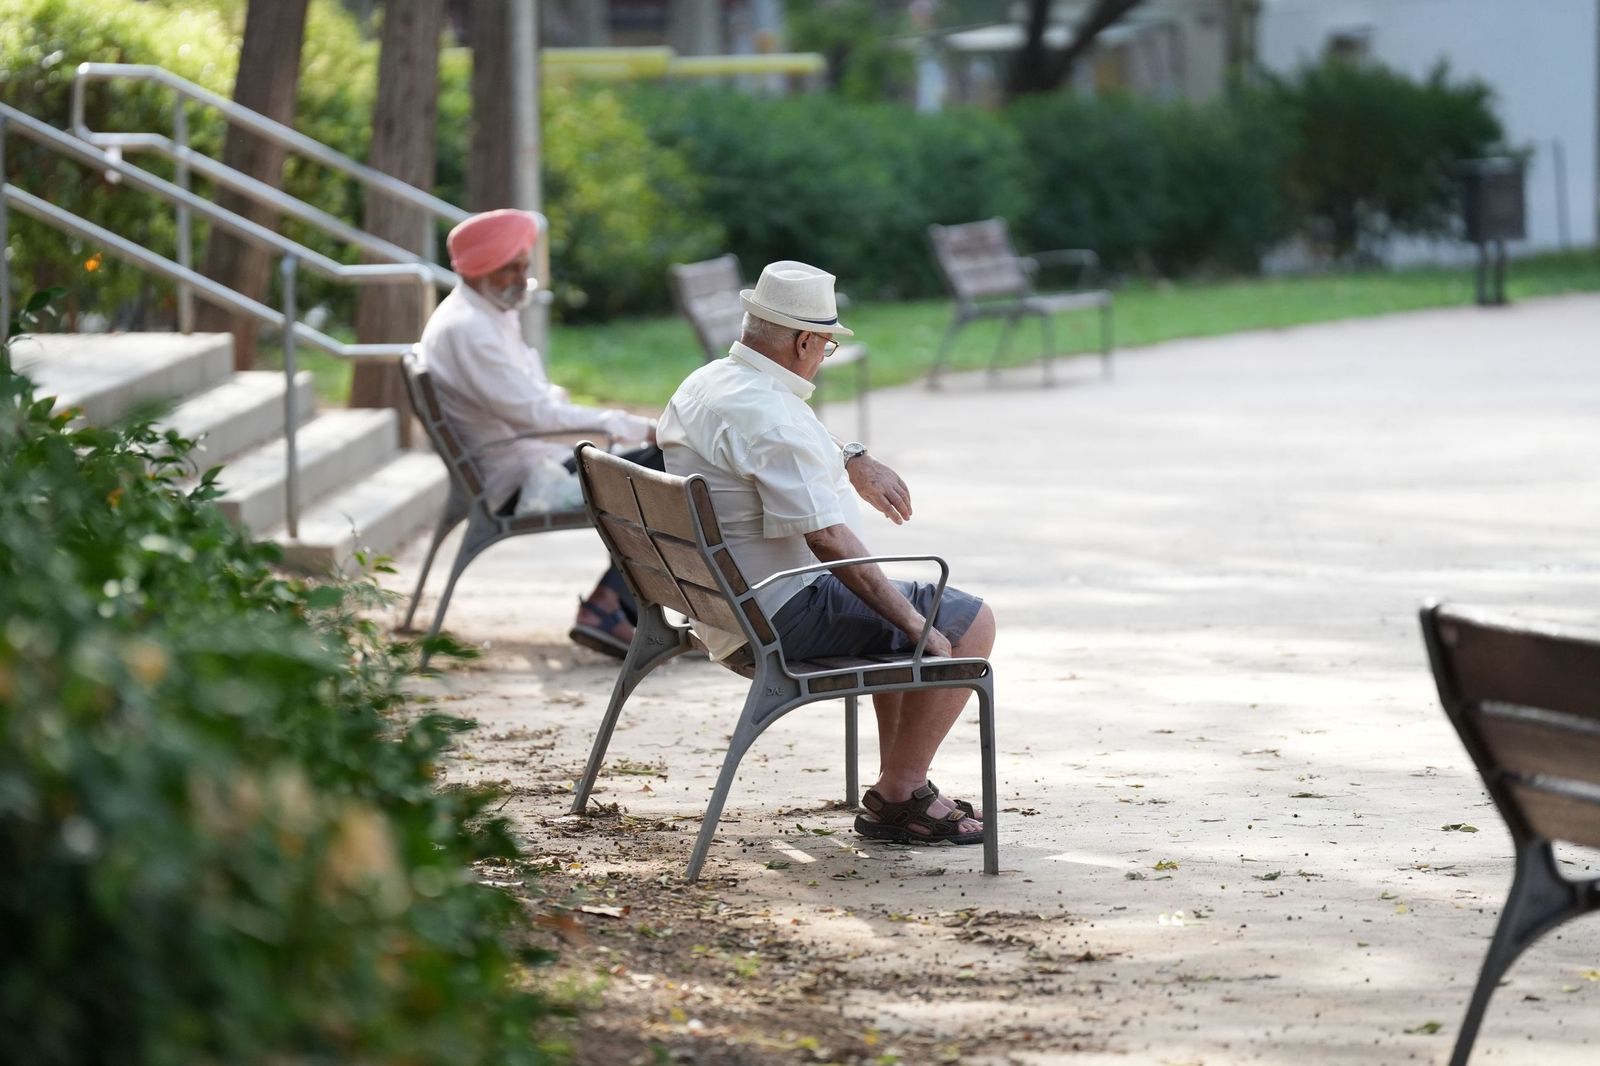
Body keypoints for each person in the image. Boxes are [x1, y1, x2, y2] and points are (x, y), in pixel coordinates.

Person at [656, 260, 998, 845]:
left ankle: (901, 790)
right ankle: (901, 794)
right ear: (804, 340)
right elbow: (829, 539)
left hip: (718, 603)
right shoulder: (773, 418)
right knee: (964, 622)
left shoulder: (710, 382)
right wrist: (918, 624)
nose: (824, 357)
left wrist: (851, 457)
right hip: (778, 615)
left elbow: (777, 446)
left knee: (903, 618)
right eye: (827, 347)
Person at [419, 208, 657, 658]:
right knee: (661, 469)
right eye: (510, 266)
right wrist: (627, 425)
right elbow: (534, 414)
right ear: (479, 268)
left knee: (654, 469)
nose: (522, 277)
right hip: (523, 482)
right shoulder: (471, 329)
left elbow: (533, 400)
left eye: (524, 265)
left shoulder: (485, 312)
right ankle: (611, 607)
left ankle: (622, 606)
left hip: (529, 464)